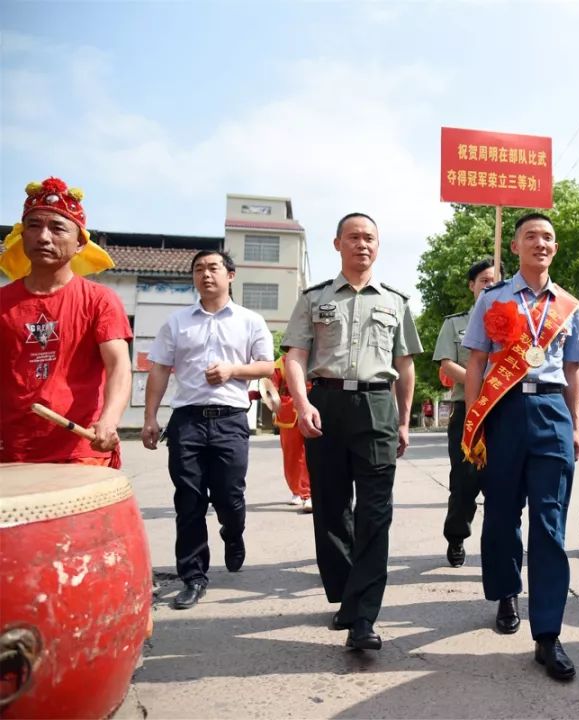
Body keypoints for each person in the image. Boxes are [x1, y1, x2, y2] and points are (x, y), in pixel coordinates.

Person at [281, 212, 422, 652]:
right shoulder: (313, 298)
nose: (362, 244)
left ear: (378, 247)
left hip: (377, 404)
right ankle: (345, 594)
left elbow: (405, 366)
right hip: (326, 404)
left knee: (375, 512)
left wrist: (402, 420)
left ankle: (364, 616)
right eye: (354, 237)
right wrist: (303, 404)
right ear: (337, 243)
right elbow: (294, 356)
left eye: (370, 239)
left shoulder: (395, 301)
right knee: (331, 507)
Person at [461, 213, 579, 682]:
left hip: (552, 411)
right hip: (504, 412)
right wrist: (474, 422)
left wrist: (575, 425)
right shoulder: (493, 299)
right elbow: (475, 362)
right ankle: (506, 591)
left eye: (548, 237)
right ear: (514, 246)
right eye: (531, 236)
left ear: (555, 248)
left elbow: (573, 371)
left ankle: (548, 634)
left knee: (550, 524)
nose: (541, 243)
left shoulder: (568, 307)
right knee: (500, 515)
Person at [141, 250, 274, 609]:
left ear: (230, 275)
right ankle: (194, 576)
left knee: (230, 498)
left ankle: (234, 534)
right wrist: (150, 417)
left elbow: (265, 367)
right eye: (198, 269)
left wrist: (233, 371)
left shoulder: (250, 321)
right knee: (189, 502)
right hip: (187, 420)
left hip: (230, 419)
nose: (206, 274)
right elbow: (159, 370)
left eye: (213, 268)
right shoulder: (177, 322)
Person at [0, 177, 131, 467]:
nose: (43, 237)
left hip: (81, 451)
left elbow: (119, 364)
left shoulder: (100, 300)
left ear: (80, 244)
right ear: (22, 237)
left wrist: (108, 421)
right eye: (33, 226)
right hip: (11, 451)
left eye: (57, 227)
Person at [432, 258, 498, 568]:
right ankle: (456, 537)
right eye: (484, 280)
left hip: (503, 411)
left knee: (503, 481)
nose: (489, 285)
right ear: (472, 286)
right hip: (468, 410)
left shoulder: (512, 322)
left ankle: (500, 544)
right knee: (464, 480)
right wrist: (484, 382)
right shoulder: (455, 323)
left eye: (496, 280)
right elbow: (447, 364)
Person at [271, 355, 313, 512]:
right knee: (292, 455)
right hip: (289, 412)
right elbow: (272, 385)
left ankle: (308, 492)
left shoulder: (319, 355)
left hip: (314, 408)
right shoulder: (281, 362)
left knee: (313, 453)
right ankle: (297, 490)